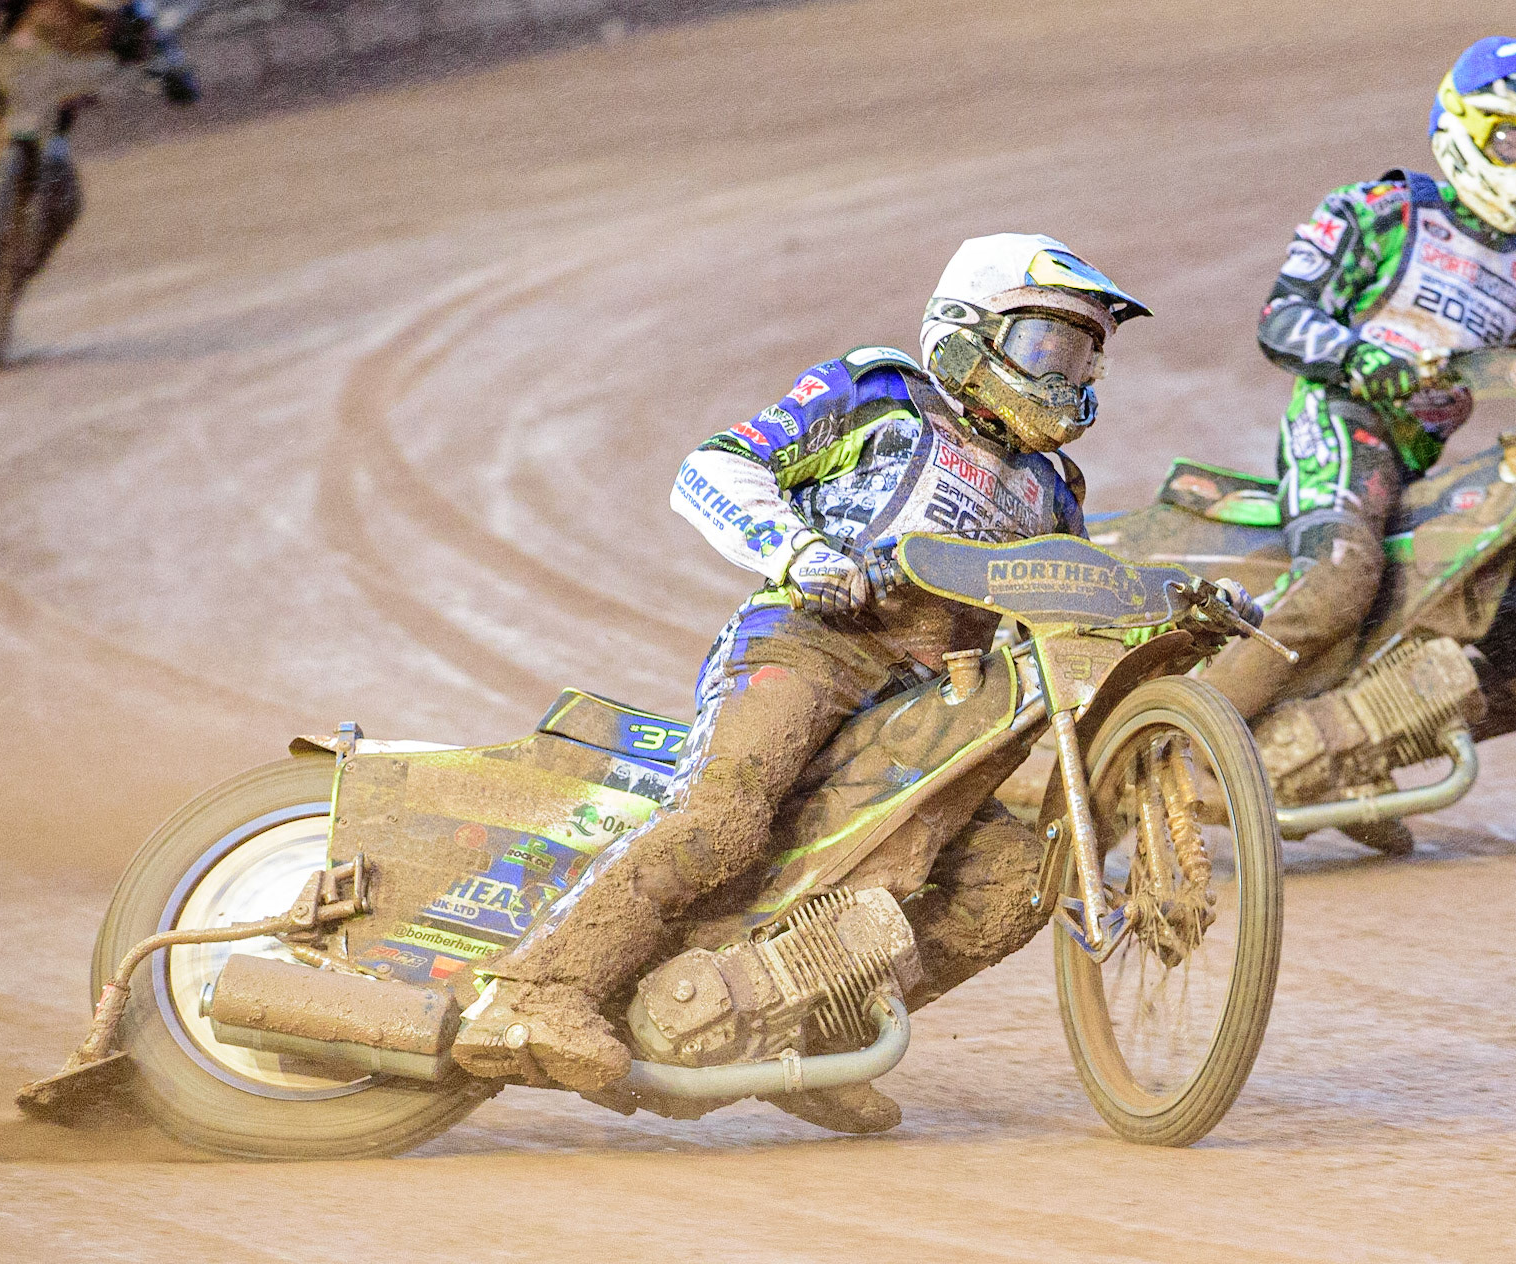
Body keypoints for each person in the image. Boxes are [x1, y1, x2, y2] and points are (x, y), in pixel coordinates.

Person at [455, 233, 1151, 1133]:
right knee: (724, 817)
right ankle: (534, 992)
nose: (1066, 375)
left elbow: (1070, 611)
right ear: (968, 329)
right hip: (808, 642)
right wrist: (800, 552)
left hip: (927, 709)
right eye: (1048, 343)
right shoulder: (880, 393)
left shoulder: (1052, 489)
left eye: (1084, 355)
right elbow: (712, 465)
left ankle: (816, 1039)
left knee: (1013, 877)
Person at [1204, 37, 1516, 852]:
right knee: (1339, 582)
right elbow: (1281, 317)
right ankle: (1185, 748)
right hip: (1340, 426)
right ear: (1462, 127)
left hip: (1426, 475)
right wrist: (1360, 357)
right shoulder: (1380, 212)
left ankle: (1336, 757)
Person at [0, 1, 195, 301]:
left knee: (64, 204)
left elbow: (158, 51)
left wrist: (171, 73)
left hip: (46, 129)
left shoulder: (128, 17)